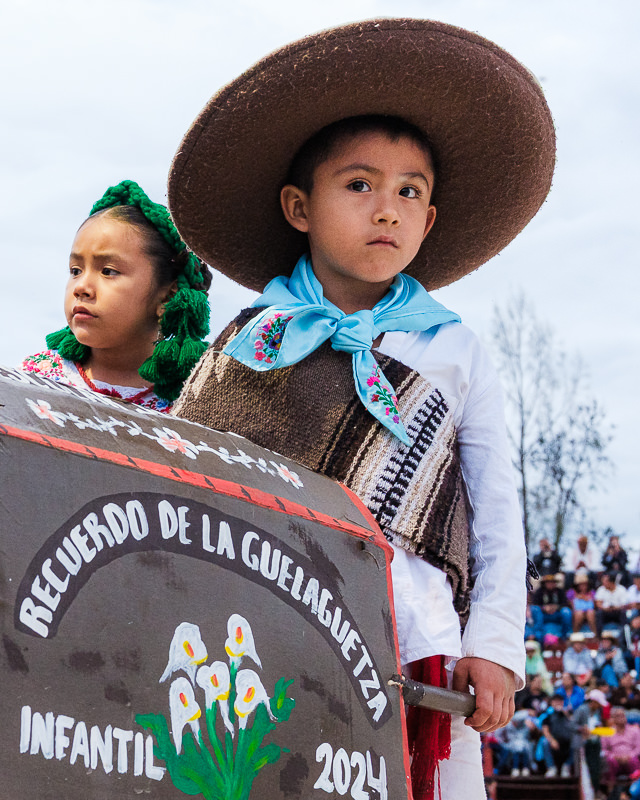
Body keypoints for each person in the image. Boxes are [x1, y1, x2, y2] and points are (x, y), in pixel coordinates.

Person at [168, 19, 555, 799]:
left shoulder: (455, 350)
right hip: (266, 636)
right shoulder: (250, 344)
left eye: (409, 192)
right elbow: (184, 484)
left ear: (430, 219)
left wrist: (495, 646)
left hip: (418, 646)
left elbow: (495, 515)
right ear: (298, 206)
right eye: (359, 185)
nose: (388, 209)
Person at [21, 180, 211, 411]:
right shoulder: (35, 379)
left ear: (167, 297)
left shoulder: (192, 401)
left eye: (108, 271)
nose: (81, 287)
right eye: (75, 271)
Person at [601, 707, 640, 795]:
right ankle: (610, 791)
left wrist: (629, 756)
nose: (621, 718)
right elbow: (603, 750)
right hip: (614, 758)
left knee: (634, 761)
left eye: (623, 715)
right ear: (612, 719)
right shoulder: (608, 731)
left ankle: (634, 790)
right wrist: (614, 756)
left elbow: (638, 748)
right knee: (610, 762)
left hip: (630, 757)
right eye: (618, 716)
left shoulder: (635, 730)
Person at [540, 694, 575, 777]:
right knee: (544, 742)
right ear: (551, 703)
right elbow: (545, 730)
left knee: (577, 742)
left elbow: (574, 724)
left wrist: (565, 713)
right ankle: (551, 767)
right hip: (554, 742)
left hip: (567, 741)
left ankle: (566, 766)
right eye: (555, 701)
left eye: (560, 701)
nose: (558, 703)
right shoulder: (548, 716)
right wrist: (552, 740)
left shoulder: (569, 714)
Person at [530, 574, 573, 642]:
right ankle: (538, 634)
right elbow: (535, 603)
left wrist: (556, 607)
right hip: (544, 615)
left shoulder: (560, 591)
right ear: (544, 584)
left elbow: (565, 603)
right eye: (548, 582)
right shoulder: (539, 591)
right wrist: (544, 608)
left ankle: (565, 634)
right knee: (535, 609)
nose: (550, 584)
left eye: (552, 582)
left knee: (566, 611)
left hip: (557, 614)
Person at [595, 572, 628, 637]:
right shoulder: (601, 589)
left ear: (611, 582)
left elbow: (624, 605)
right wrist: (605, 608)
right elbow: (598, 603)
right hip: (605, 611)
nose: (603, 583)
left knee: (623, 613)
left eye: (605, 581)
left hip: (617, 611)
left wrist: (615, 607)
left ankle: (623, 636)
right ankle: (599, 636)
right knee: (599, 613)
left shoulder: (621, 589)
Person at [567, 569, 597, 636]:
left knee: (590, 613)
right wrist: (577, 598)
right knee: (579, 614)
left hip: (589, 611)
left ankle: (595, 634)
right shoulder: (571, 592)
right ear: (577, 585)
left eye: (585, 584)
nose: (583, 586)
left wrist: (587, 598)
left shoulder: (592, 592)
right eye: (581, 585)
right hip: (576, 611)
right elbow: (569, 603)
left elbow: (595, 603)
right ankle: (575, 634)